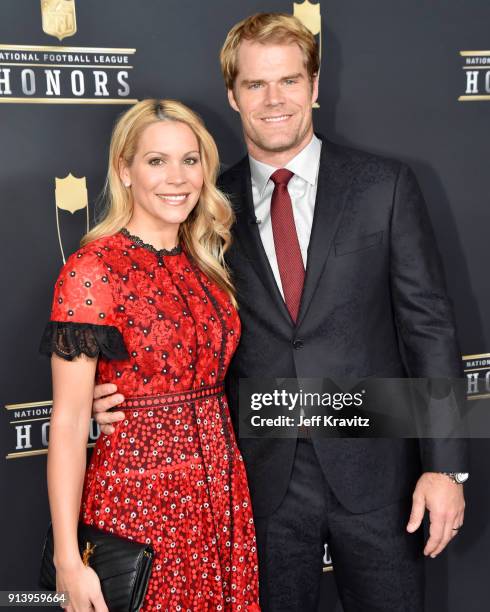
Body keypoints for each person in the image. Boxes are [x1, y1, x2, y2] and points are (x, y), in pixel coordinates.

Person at [91, 14, 468, 612]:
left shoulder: (384, 187)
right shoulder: (202, 207)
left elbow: (430, 328)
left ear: (315, 87)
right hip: (256, 486)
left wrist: (447, 468)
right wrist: (115, 389)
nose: (274, 100)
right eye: (255, 85)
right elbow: (162, 314)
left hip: (380, 480)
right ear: (232, 95)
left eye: (289, 81)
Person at [40, 98, 260, 611]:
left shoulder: (206, 260)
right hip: (140, 501)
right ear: (125, 170)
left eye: (191, 159)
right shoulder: (93, 269)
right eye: (156, 161)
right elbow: (70, 422)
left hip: (221, 495)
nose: (177, 177)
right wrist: (69, 560)